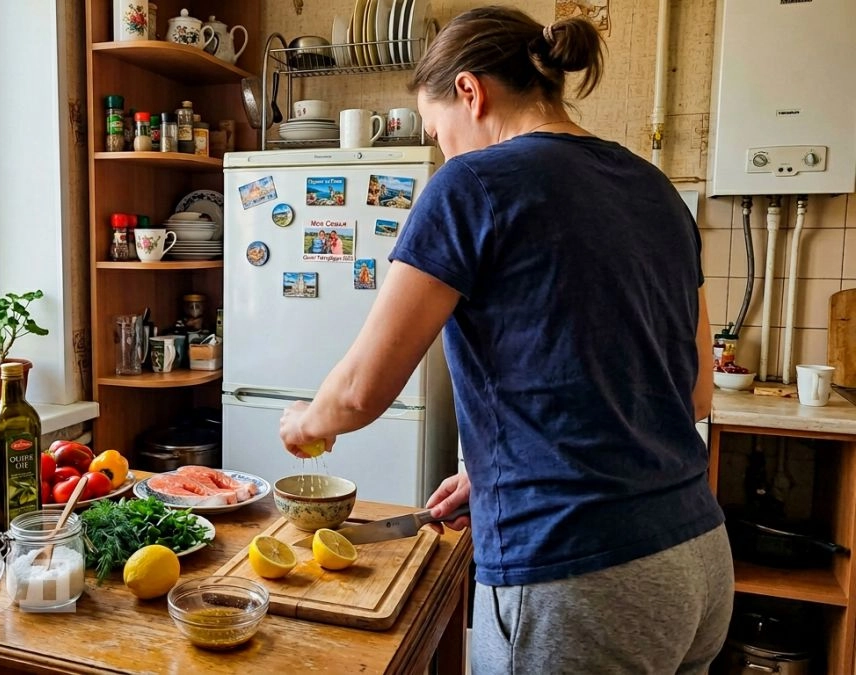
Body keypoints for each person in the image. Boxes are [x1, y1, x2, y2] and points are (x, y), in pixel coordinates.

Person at [278, 7, 731, 674]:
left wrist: (303, 425)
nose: (444, 153)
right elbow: (692, 392)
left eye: (439, 135)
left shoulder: (473, 184)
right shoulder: (656, 190)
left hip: (578, 576)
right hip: (697, 560)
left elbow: (358, 391)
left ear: (471, 91)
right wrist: (496, 468)